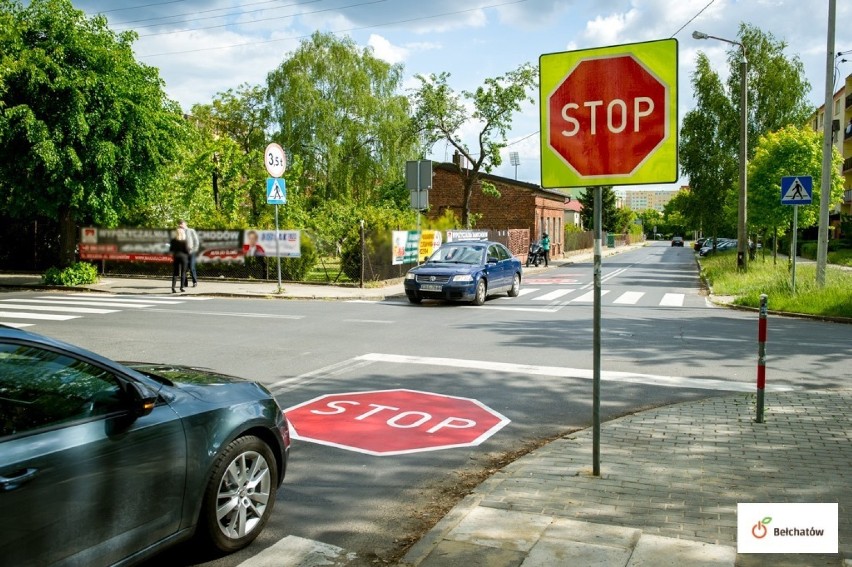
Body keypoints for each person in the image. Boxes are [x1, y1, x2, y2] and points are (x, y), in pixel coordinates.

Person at [169, 227, 189, 293]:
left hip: (176, 256)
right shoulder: (184, 241)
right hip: (183, 257)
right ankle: (182, 287)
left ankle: (173, 288)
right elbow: (186, 250)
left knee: (175, 272)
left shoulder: (173, 240)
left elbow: (171, 250)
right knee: (183, 272)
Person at [180, 220, 199, 287]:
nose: (180, 226)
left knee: (191, 267)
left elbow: (196, 241)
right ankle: (185, 283)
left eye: (181, 224)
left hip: (191, 252)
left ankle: (195, 282)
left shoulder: (191, 231)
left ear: (185, 224)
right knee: (184, 268)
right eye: (180, 225)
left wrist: (194, 250)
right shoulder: (179, 232)